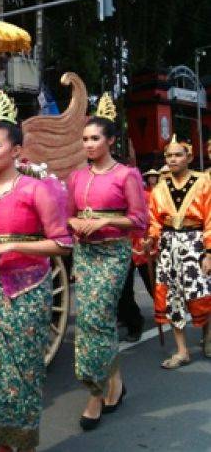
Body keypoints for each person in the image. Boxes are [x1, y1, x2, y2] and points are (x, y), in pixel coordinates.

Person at [0, 104, 72, 452]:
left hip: (27, 289)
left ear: (17, 151)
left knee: (20, 371)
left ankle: (19, 442)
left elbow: (61, 243)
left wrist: (10, 247)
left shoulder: (36, 190)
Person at [66, 94, 148, 431]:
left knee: (95, 319)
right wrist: (75, 224)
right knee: (90, 321)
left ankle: (95, 393)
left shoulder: (126, 175)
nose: (88, 144)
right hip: (84, 253)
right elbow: (66, 216)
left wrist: (102, 223)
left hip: (113, 252)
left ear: (111, 140)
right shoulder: (76, 177)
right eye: (84, 139)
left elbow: (139, 219)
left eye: (95, 138)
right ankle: (115, 383)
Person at [147, 135, 211, 366]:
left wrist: (209, 252)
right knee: (172, 296)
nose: (172, 159)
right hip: (168, 246)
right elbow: (154, 220)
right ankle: (182, 350)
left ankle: (207, 334)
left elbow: (210, 218)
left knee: (200, 293)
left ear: (189, 157)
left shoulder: (204, 181)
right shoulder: (159, 188)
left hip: (196, 243)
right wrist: (151, 239)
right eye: (169, 155)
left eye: (178, 155)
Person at [117, 168, 160, 342]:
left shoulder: (147, 196)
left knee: (153, 283)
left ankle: (165, 309)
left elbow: (155, 220)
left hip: (142, 246)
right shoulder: (114, 197)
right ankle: (133, 321)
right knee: (123, 289)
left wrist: (151, 239)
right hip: (122, 248)